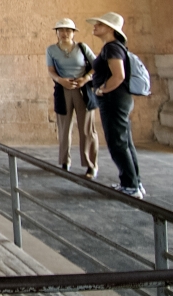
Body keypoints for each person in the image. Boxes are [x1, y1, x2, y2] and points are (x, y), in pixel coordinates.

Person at [87, 12, 144, 199]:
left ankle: (130, 185)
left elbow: (118, 75)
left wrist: (102, 89)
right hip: (119, 99)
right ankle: (134, 182)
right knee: (125, 141)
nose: (95, 27)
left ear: (110, 29)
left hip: (114, 100)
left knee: (117, 142)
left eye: (99, 25)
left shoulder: (112, 48)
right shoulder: (113, 47)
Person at [46, 18, 99, 179]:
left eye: (68, 30)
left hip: (82, 89)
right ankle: (64, 161)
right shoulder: (52, 50)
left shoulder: (82, 48)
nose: (64, 34)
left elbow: (96, 66)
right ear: (57, 33)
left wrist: (86, 78)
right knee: (64, 127)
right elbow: (51, 70)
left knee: (87, 129)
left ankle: (90, 164)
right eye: (61, 30)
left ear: (73, 33)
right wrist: (60, 80)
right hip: (63, 89)